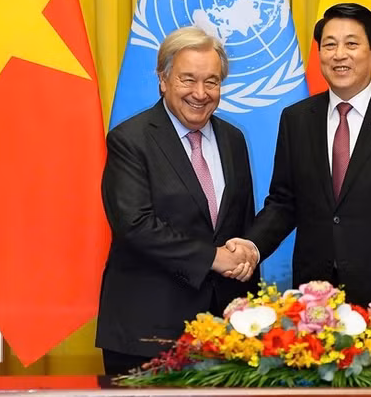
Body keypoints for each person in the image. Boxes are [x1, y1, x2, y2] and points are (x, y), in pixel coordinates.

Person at [228, 3, 371, 332]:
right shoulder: (297, 119)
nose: (339, 55)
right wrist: (251, 246)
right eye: (329, 44)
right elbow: (284, 201)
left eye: (352, 44)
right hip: (315, 303)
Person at [96, 27, 259, 376]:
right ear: (163, 79)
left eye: (212, 81)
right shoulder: (130, 140)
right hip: (148, 334)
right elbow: (135, 227)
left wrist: (246, 258)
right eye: (188, 80)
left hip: (225, 335)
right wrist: (212, 257)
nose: (200, 93)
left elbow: (240, 223)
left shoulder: (233, 140)